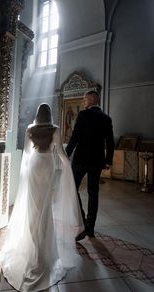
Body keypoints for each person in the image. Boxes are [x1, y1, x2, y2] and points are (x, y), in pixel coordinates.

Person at [0, 103, 84, 292]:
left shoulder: (30, 129)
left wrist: (24, 175)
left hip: (34, 168)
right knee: (46, 208)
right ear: (50, 115)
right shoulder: (56, 129)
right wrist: (68, 166)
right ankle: (43, 249)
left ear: (37, 114)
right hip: (48, 168)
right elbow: (61, 154)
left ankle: (34, 246)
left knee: (33, 207)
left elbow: (27, 155)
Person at [65, 90, 115, 241]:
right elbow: (110, 142)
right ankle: (90, 227)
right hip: (97, 161)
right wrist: (108, 160)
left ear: (93, 99)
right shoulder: (106, 118)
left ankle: (83, 221)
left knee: (73, 189)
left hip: (80, 160)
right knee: (94, 193)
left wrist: (65, 155)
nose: (84, 101)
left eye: (86, 99)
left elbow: (75, 137)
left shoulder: (83, 115)